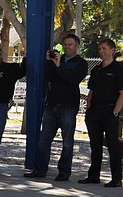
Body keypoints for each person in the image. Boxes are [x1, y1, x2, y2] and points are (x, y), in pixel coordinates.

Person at [24, 34, 90, 181]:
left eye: (70, 45)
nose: (67, 47)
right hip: (51, 106)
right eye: (65, 44)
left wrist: (59, 66)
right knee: (43, 140)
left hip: (68, 107)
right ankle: (40, 169)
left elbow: (72, 79)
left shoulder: (81, 63)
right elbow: (48, 77)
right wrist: (50, 62)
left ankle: (64, 172)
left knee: (67, 142)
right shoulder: (56, 61)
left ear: (77, 46)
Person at [79, 38, 123, 187]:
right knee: (95, 145)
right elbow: (91, 90)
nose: (101, 52)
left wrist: (115, 113)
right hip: (94, 112)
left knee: (113, 145)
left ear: (112, 50)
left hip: (110, 111)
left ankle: (116, 178)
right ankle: (93, 175)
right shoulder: (96, 69)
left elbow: (122, 93)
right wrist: (88, 107)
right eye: (100, 49)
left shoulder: (118, 69)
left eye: (104, 49)